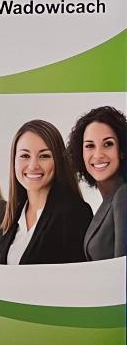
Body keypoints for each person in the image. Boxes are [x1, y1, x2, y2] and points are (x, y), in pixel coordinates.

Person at [0, 119, 92, 265]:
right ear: (14, 161)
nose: (33, 166)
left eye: (44, 156)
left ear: (58, 161)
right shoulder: (11, 215)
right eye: (25, 156)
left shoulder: (75, 213)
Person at [68, 106, 126, 260]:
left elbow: (122, 267)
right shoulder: (109, 199)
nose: (98, 155)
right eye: (90, 146)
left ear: (122, 150)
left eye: (108, 144)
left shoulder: (123, 195)